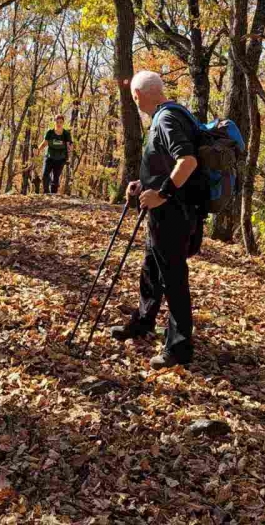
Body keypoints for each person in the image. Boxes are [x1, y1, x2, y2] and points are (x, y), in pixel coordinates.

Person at [110, 70, 203, 369]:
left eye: (134, 97)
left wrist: (162, 194)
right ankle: (143, 321)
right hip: (167, 212)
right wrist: (143, 184)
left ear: (138, 95)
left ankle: (179, 347)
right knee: (152, 269)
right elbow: (168, 164)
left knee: (173, 278)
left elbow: (187, 161)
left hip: (173, 214)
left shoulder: (166, 120)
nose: (134, 101)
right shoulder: (171, 115)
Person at [34, 114, 73, 194]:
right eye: (57, 122)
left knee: (55, 178)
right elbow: (44, 143)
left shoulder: (66, 134)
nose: (59, 124)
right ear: (54, 122)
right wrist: (38, 149)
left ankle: (53, 196)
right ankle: (46, 193)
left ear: (63, 123)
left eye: (61, 122)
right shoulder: (50, 132)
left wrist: (68, 155)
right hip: (49, 157)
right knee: (45, 175)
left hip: (60, 158)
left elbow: (69, 146)